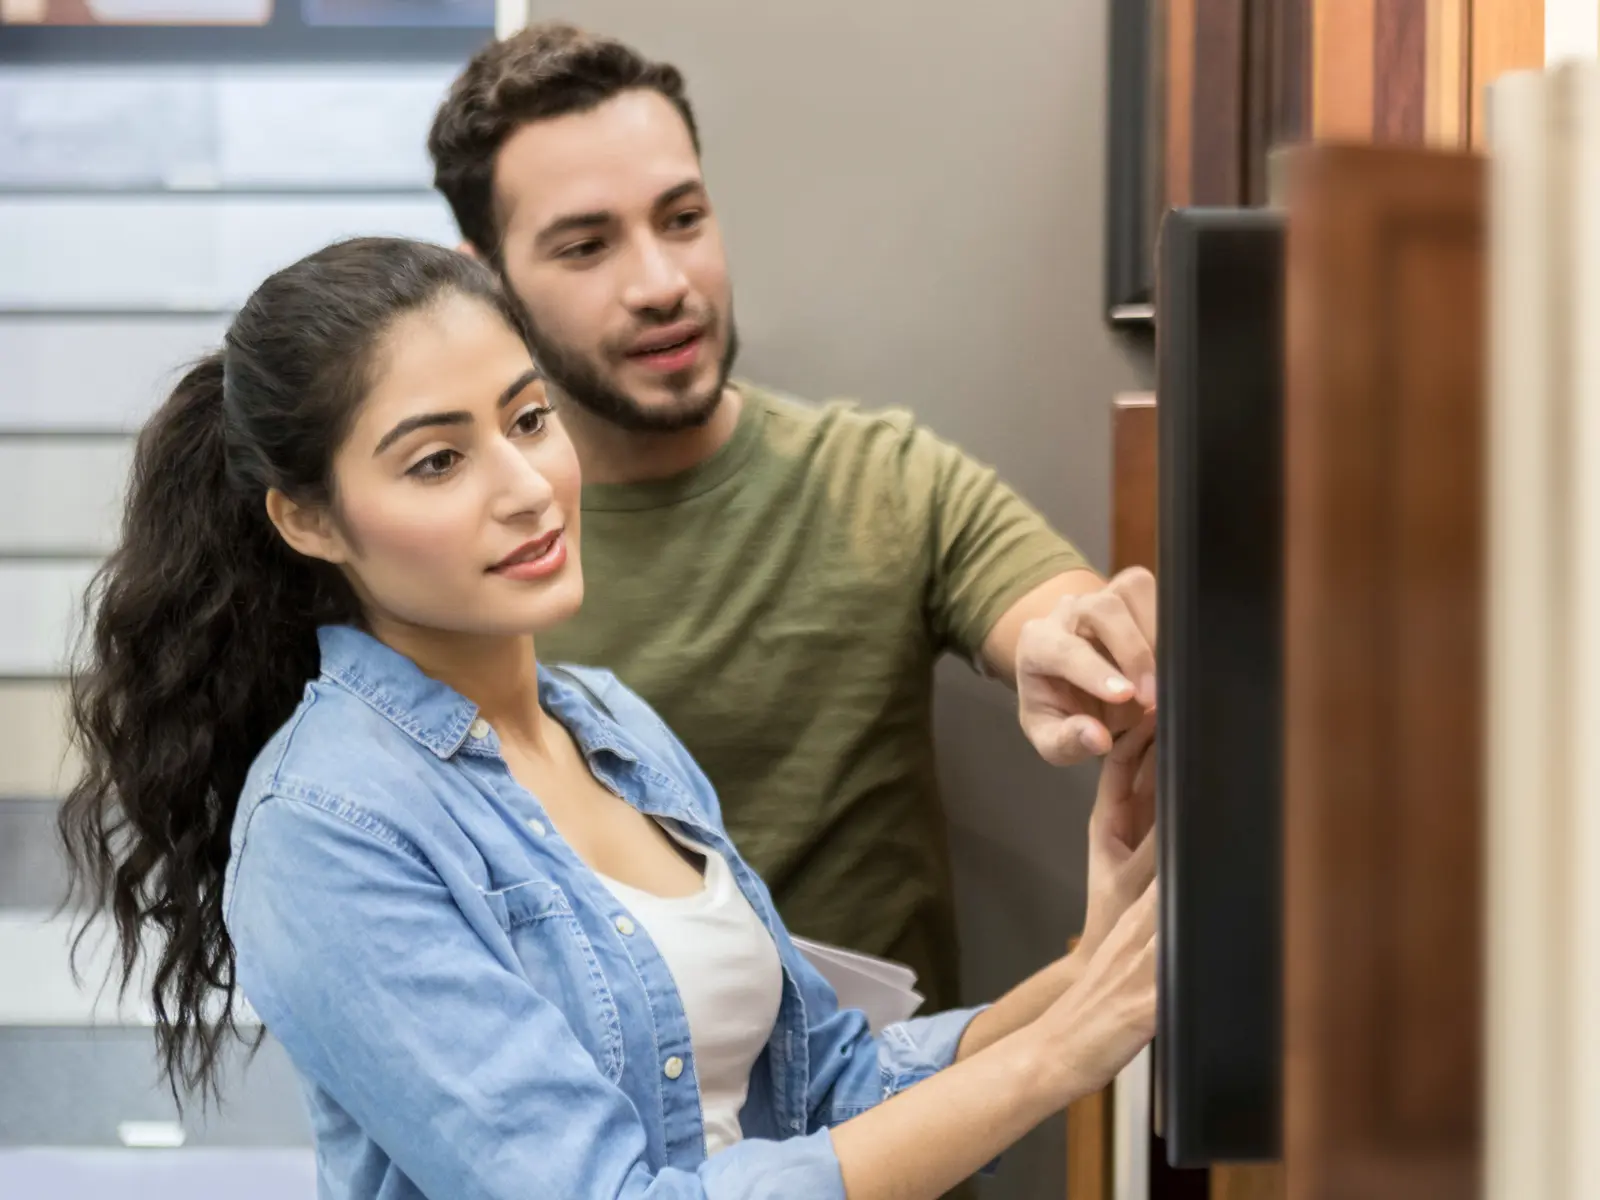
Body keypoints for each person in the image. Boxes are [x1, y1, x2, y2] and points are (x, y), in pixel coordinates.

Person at [58, 237, 1156, 1200]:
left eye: (529, 419)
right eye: (438, 461)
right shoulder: (327, 827)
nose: (529, 486)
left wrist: (1093, 970)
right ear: (309, 520)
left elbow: (829, 1085)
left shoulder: (610, 726)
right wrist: (1058, 1055)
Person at [426, 23, 1158, 1017]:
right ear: (486, 280)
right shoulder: (441, 559)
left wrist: (1085, 653)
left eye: (681, 218)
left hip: (898, 1136)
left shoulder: (880, 480)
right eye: (587, 246)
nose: (662, 284)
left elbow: (1054, 615)